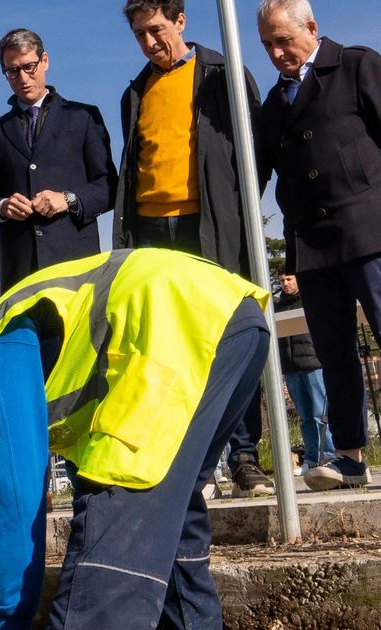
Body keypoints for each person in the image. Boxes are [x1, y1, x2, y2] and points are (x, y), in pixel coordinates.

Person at [0, 249, 271, 630]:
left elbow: (15, 493)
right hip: (234, 320)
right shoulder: (31, 359)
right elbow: (85, 474)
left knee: (116, 507)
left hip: (177, 318)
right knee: (164, 501)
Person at [254, 0, 381, 490]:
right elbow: (269, 177)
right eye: (267, 45)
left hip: (369, 231)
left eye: (283, 40)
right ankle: (349, 457)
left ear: (311, 27)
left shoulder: (358, 65)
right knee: (332, 352)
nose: (276, 53)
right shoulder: (273, 105)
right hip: (313, 246)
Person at [113, 0, 273, 500]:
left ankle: (244, 457)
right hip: (151, 233)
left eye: (156, 29)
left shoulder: (224, 75)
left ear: (180, 21)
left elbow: (258, 154)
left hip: (209, 227)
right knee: (165, 349)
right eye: (139, 35)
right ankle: (184, 467)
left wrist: (230, 209)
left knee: (229, 337)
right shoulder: (135, 91)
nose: (149, 42)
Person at [0, 28, 117, 290]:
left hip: (77, 268)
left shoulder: (84, 117)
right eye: (12, 71)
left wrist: (68, 199)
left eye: (29, 67)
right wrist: (2, 207)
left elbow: (109, 187)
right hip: (20, 273)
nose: (22, 78)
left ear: (45, 61)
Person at [275, 273, 335, 475]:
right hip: (291, 367)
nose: (285, 284)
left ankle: (329, 454)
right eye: (282, 281)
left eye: (289, 279)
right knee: (305, 417)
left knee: (320, 414)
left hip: (313, 364)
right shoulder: (278, 307)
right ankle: (311, 458)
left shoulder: (309, 300)